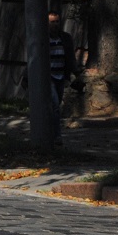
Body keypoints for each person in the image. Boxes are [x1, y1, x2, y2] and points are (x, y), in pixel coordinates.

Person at [47, 10, 78, 145]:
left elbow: (70, 57)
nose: (55, 25)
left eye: (57, 22)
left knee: (56, 104)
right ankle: (56, 136)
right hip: (49, 77)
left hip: (60, 76)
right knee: (55, 106)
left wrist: (76, 74)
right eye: (52, 22)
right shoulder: (43, 38)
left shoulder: (65, 38)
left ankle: (49, 130)